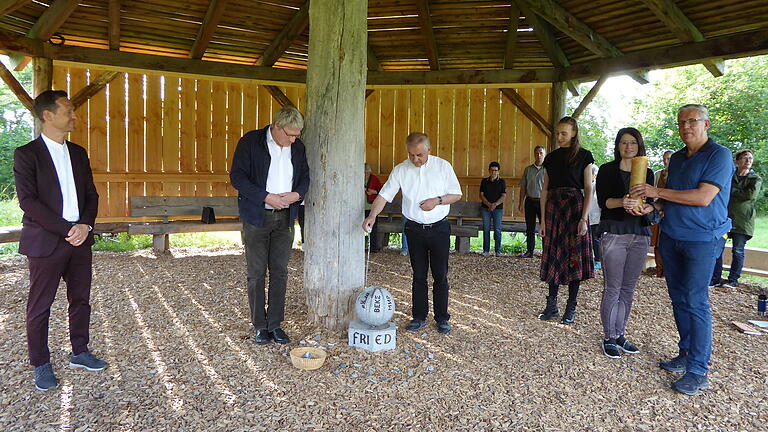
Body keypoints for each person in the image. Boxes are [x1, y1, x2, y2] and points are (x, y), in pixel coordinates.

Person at [631, 104, 733, 396]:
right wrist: (650, 206)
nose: (686, 127)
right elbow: (668, 201)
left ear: (706, 124)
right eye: (681, 123)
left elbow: (703, 197)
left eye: (692, 121)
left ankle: (699, 370)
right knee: (678, 298)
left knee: (696, 301)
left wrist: (656, 192)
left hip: (702, 239)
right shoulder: (676, 158)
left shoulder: (719, 155)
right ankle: (686, 352)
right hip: (671, 237)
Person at [13, 90, 106, 392]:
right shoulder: (27, 154)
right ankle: (40, 363)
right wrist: (68, 229)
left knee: (80, 300)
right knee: (40, 305)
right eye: (68, 110)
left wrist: (86, 225)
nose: (74, 115)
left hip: (80, 239)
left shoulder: (78, 153)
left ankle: (79, 352)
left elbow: (91, 195)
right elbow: (28, 201)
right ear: (47, 115)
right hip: (46, 241)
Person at [363, 132, 462, 334]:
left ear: (429, 151)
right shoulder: (400, 170)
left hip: (439, 228)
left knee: (440, 275)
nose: (415, 159)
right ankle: (419, 317)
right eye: (411, 155)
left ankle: (442, 318)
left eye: (419, 155)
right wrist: (372, 216)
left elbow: (456, 194)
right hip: (414, 228)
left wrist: (437, 201)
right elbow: (384, 195)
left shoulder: (443, 166)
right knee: (418, 275)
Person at [230, 106, 310, 346]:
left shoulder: (297, 147)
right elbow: (238, 177)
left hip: (285, 216)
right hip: (257, 216)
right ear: (276, 126)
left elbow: (305, 176)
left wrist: (297, 194)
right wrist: (266, 196)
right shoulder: (251, 142)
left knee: (280, 272)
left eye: (297, 135)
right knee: (256, 273)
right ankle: (259, 326)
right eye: (290, 135)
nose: (294, 139)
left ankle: (275, 324)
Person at [596, 127, 656, 359]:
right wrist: (623, 202)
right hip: (614, 232)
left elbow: (649, 203)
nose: (628, 146)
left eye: (633, 142)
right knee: (613, 287)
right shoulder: (607, 170)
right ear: (618, 146)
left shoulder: (647, 172)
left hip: (639, 233)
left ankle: (620, 334)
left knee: (628, 289)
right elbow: (605, 203)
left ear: (639, 145)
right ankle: (609, 336)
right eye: (624, 142)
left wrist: (647, 207)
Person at [537, 116, 595, 324]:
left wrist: (583, 218)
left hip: (575, 207)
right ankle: (551, 305)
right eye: (558, 133)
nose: (559, 136)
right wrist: (542, 221)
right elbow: (544, 190)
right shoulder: (550, 158)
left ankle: (571, 307)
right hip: (554, 208)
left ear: (574, 133)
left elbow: (588, 189)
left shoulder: (584, 156)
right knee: (553, 254)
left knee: (574, 256)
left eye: (564, 133)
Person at [710, 149, 762, 288]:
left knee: (738, 250)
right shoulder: (729, 175)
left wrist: (731, 191)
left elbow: (750, 196)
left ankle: (733, 280)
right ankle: (715, 279)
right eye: (745, 158)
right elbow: (720, 190)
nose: (748, 161)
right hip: (724, 218)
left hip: (743, 221)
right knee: (717, 248)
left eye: (750, 158)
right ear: (737, 161)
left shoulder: (755, 179)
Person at [518, 145, 546, 258]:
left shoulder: (548, 169)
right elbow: (523, 187)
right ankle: (530, 251)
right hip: (530, 201)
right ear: (534, 154)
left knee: (545, 227)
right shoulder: (528, 169)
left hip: (543, 202)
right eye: (537, 153)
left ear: (544, 154)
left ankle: (546, 252)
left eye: (541, 153)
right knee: (530, 227)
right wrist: (521, 203)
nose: (539, 155)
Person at [650, 150, 673, 277]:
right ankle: (659, 271)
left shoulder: (677, 174)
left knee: (667, 242)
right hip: (658, 213)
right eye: (664, 158)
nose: (665, 161)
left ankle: (668, 272)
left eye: (669, 158)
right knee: (657, 242)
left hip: (671, 214)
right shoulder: (657, 174)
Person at [479, 162, 507, 256]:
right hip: (485, 208)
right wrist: (488, 204)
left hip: (498, 208)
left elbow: (503, 196)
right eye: (492, 170)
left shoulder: (502, 182)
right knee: (486, 229)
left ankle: (498, 250)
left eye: (495, 170)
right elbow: (481, 195)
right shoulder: (484, 181)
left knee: (497, 229)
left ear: (498, 171)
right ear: (489, 171)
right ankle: (486, 250)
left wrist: (495, 204)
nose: (494, 172)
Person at [364, 163, 383, 252]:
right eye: (364, 172)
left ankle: (373, 248)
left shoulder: (374, 178)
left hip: (371, 207)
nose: (366, 174)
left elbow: (382, 191)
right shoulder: (356, 177)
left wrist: (373, 192)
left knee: (373, 228)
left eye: (367, 172)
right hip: (358, 207)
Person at [588, 164, 602, 270]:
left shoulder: (597, 186)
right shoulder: (585, 186)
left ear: (594, 175)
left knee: (595, 239)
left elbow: (598, 202)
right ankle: (589, 258)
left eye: (590, 174)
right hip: (587, 217)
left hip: (596, 217)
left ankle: (598, 260)